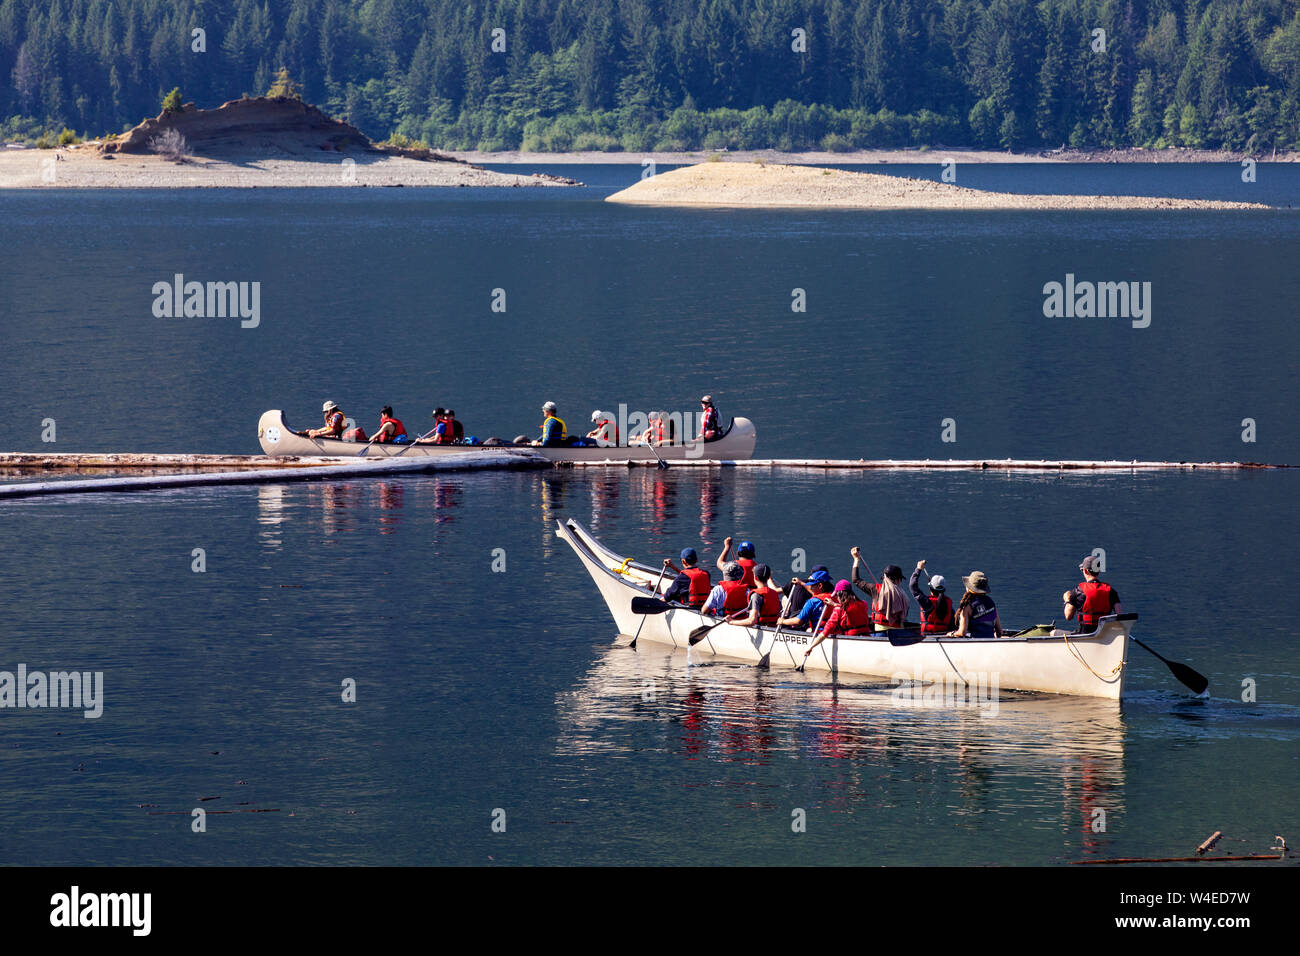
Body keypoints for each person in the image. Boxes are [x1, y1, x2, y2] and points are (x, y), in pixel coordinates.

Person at [850, 549, 908, 630]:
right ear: (897, 580)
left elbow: (855, 579)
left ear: (885, 578)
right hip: (897, 632)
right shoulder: (902, 594)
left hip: (880, 630)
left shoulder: (875, 589)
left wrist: (856, 559)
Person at [1063, 555, 1122, 632]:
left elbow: (1068, 616)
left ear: (1085, 571)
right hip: (1105, 634)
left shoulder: (1078, 591)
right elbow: (1120, 615)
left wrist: (1067, 600)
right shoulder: (1111, 591)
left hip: (1084, 635)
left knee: (1053, 632)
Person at [726, 564, 783, 628]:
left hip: (763, 628)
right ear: (768, 577)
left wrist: (731, 621)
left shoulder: (756, 595)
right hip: (774, 627)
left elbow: (751, 621)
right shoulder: (774, 593)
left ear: (755, 577)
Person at [949, 571, 1003, 638]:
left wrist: (951, 634)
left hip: (974, 643)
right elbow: (999, 631)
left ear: (969, 588)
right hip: (990, 641)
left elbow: (962, 632)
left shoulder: (968, 606)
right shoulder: (990, 602)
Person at [910, 559, 955, 633]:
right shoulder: (948, 603)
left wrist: (918, 569)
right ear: (944, 589)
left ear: (931, 589)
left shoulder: (927, 603)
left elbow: (913, 587)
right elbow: (952, 624)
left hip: (928, 636)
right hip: (944, 635)